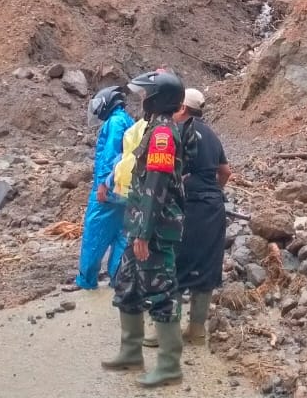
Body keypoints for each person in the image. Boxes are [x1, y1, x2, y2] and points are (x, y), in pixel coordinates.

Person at [101, 69, 192, 388]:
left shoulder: (163, 133)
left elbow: (156, 185)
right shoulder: (153, 128)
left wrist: (143, 232)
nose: (141, 99)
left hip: (155, 228)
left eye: (145, 95)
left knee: (161, 291)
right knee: (126, 284)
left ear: (158, 99)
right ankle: (130, 352)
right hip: (140, 222)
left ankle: (169, 366)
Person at [173, 88, 231, 344]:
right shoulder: (211, 134)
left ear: (183, 108)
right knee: (206, 267)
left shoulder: (178, 132)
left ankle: (167, 332)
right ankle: (197, 331)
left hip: (189, 207)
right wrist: (214, 190)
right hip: (214, 209)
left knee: (175, 265)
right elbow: (225, 172)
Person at [74, 85, 136, 289]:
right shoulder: (129, 121)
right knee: (121, 236)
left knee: (94, 234)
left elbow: (109, 156)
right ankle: (117, 280)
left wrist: (103, 185)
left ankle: (86, 281)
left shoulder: (115, 122)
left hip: (110, 188)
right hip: (125, 189)